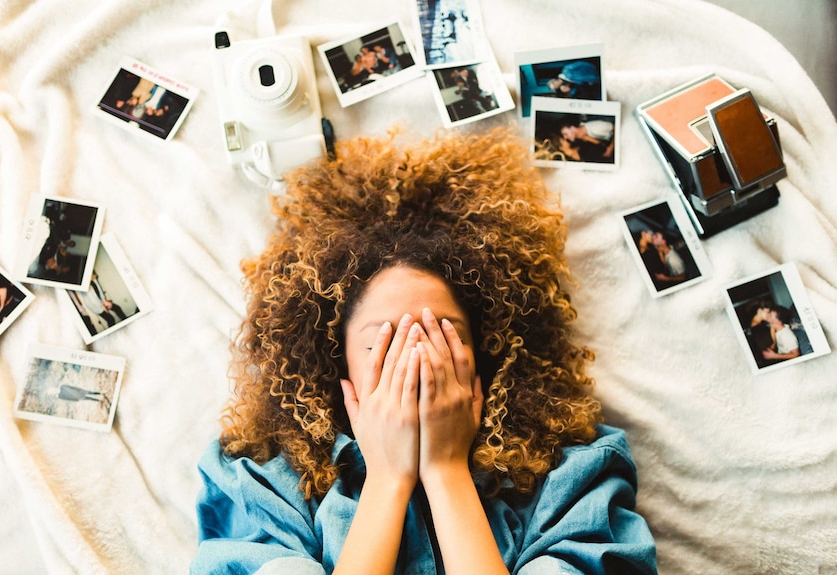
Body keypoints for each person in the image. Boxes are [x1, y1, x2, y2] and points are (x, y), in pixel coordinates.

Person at [192, 128, 657, 574]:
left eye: (441, 335)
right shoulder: (263, 479)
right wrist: (387, 479)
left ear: (486, 350)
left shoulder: (575, 473)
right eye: (383, 341)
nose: (414, 359)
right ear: (337, 360)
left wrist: (447, 470)